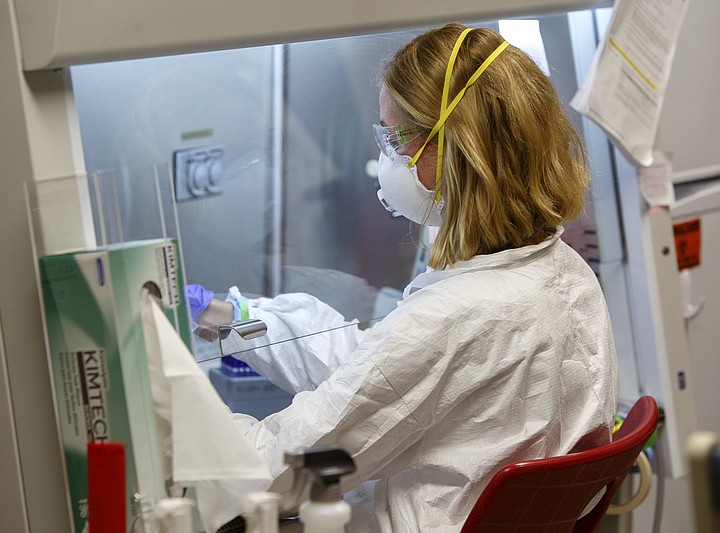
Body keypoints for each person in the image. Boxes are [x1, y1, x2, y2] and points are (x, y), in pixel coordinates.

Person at [189, 22, 618, 532]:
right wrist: (237, 320)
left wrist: (175, 413)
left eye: (395, 138)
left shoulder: (457, 317)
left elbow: (280, 471)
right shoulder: (561, 270)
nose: (385, 157)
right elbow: (381, 377)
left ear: (461, 148)